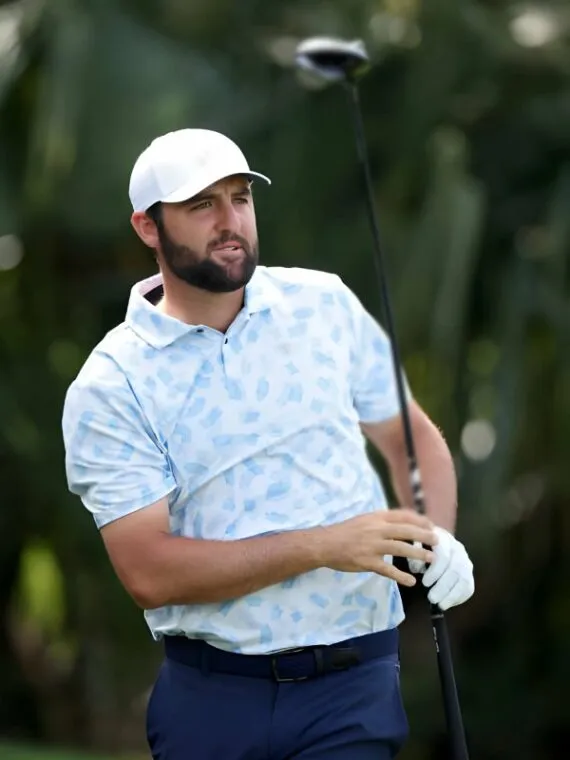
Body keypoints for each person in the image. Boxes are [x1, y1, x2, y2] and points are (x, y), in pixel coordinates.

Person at [61, 128, 474, 760]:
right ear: (148, 227)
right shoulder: (113, 383)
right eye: (203, 205)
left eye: (241, 198)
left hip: (353, 685)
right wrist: (324, 545)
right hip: (212, 698)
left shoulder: (323, 304)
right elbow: (148, 571)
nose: (230, 222)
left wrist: (437, 534)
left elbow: (408, 435)